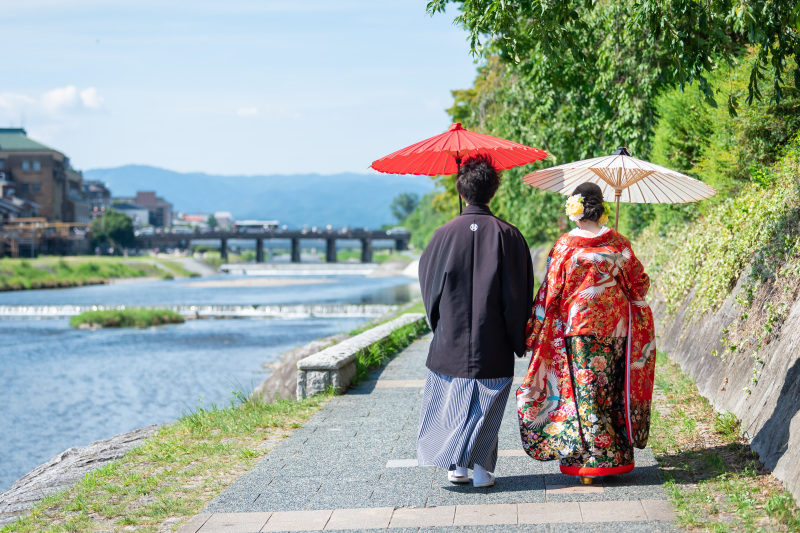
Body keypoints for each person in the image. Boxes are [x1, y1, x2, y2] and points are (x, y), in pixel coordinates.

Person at [517, 182, 656, 484]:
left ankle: (590, 464)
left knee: (585, 394)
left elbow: (549, 292)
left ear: (576, 209)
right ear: (601, 208)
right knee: (611, 390)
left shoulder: (566, 246)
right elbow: (640, 283)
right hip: (616, 329)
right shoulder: (618, 243)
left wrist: (533, 331)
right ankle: (615, 457)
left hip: (577, 329)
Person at [417, 153, 534, 488]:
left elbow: (429, 287)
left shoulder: (442, 234)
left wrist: (438, 325)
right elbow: (518, 295)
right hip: (493, 338)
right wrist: (517, 337)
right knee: (488, 403)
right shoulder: (509, 236)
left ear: (461, 189)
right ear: (493, 192)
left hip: (450, 340)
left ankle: (456, 467)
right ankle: (481, 469)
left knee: (452, 402)